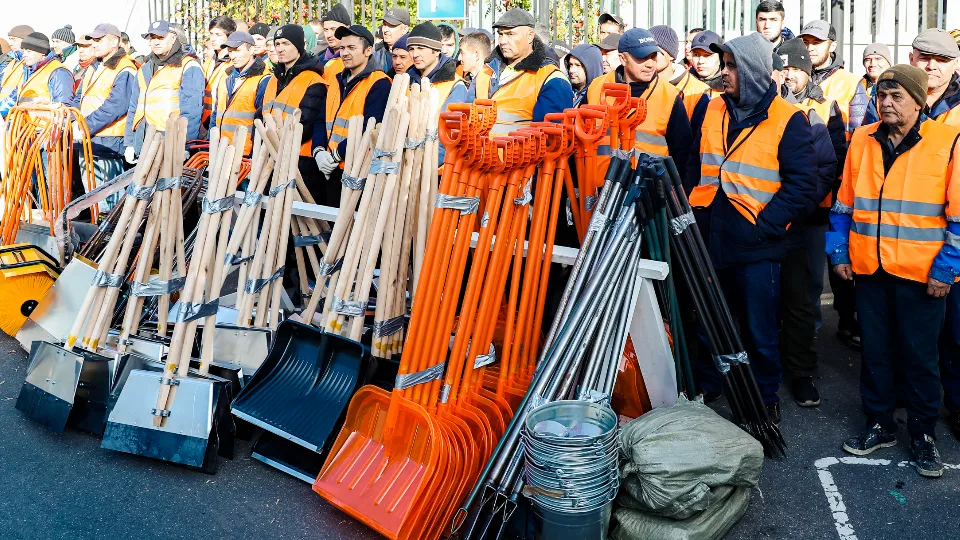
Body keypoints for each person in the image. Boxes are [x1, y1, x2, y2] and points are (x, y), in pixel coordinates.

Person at [828, 65, 960, 477]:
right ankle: (879, 424)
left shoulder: (948, 142)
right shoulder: (862, 140)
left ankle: (923, 435)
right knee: (877, 352)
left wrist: (947, 269)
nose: (885, 102)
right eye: (882, 95)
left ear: (919, 102)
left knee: (920, 359)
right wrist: (838, 251)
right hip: (870, 269)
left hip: (922, 276)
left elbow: (958, 217)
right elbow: (844, 202)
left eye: (896, 96)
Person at [685, 33, 818, 423]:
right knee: (712, 319)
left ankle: (764, 396)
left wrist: (765, 226)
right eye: (723, 66)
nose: (723, 74)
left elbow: (802, 187)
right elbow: (697, 166)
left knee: (760, 329)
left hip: (757, 243)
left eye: (731, 67)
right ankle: (711, 384)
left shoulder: (788, 118)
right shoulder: (712, 110)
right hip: (711, 234)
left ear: (756, 71)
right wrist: (693, 213)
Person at [779, 37, 846, 406]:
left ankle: (802, 372)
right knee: (770, 297)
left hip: (807, 219)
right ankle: (773, 365)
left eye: (795, 68)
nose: (789, 75)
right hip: (774, 220)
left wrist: (797, 206)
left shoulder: (824, 108)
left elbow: (830, 164)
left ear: (807, 71)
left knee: (803, 300)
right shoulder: (770, 109)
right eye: (783, 68)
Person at [587, 28, 693, 180]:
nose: (650, 64)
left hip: (648, 196)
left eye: (653, 57)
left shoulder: (669, 96)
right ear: (623, 59)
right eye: (642, 57)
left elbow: (683, 156)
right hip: (600, 192)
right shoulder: (596, 88)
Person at [316, 24, 390, 206]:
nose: (345, 53)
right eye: (342, 48)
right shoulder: (337, 80)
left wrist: (335, 156)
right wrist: (318, 151)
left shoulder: (379, 83)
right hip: (329, 169)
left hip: (358, 171)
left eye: (352, 48)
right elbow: (320, 118)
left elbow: (369, 129)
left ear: (368, 50)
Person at [468, 9, 572, 136]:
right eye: (500, 34)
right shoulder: (486, 71)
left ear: (530, 36)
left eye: (510, 34)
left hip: (519, 155)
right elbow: (467, 120)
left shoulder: (551, 78)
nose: (502, 41)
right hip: (480, 154)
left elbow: (551, 140)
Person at [262, 24, 333, 203]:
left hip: (300, 163)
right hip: (271, 157)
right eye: (277, 44)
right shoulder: (274, 79)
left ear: (299, 46)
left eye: (285, 43)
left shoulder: (313, 80)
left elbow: (306, 125)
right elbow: (261, 114)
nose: (280, 49)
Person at [73, 23, 137, 204]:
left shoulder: (125, 68)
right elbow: (80, 98)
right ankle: (100, 230)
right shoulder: (95, 67)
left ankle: (113, 232)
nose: (94, 44)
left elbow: (116, 106)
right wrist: (71, 119)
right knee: (93, 198)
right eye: (93, 40)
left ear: (115, 41)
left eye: (99, 40)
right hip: (89, 140)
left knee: (108, 200)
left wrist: (84, 125)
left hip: (109, 143)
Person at [124, 20, 204, 162]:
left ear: (173, 38)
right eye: (152, 38)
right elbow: (134, 107)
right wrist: (130, 142)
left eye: (160, 37)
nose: (155, 42)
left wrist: (186, 145)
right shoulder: (144, 69)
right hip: (143, 139)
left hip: (170, 142)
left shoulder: (188, 66)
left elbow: (192, 112)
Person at [799, 20, 868, 138]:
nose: (809, 48)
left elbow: (861, 133)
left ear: (833, 46)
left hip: (838, 154)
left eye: (816, 42)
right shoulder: (791, 77)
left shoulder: (850, 83)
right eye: (805, 42)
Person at [211, 31, 270, 157]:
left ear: (251, 50)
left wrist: (254, 156)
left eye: (237, 50)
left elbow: (264, 123)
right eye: (230, 51)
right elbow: (216, 114)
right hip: (221, 151)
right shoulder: (225, 77)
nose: (233, 56)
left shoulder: (263, 79)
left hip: (245, 155)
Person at [650, 25, 710, 127]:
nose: (648, 57)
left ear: (671, 55)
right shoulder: (638, 83)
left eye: (655, 52)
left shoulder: (698, 91)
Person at [408, 22, 466, 112]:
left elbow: (451, 123)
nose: (415, 54)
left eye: (421, 48)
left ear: (437, 51)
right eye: (411, 49)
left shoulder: (455, 85)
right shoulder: (406, 80)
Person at [8, 32, 74, 109]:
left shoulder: (59, 72)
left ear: (42, 52)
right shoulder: (27, 71)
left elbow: (63, 109)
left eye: (29, 51)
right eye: (24, 51)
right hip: (24, 120)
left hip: (42, 121)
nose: (24, 55)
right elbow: (11, 100)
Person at [203, 16, 238, 127]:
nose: (213, 39)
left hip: (221, 121)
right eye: (211, 34)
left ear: (229, 36)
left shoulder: (233, 64)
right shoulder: (208, 63)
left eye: (218, 35)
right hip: (204, 121)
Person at [0, 25, 35, 102]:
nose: (10, 43)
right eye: (10, 40)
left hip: (19, 111)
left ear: (26, 40)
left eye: (14, 40)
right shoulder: (11, 62)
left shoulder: (32, 65)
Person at [373, 8, 410, 73]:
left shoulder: (413, 53)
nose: (385, 30)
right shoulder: (375, 54)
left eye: (391, 25)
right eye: (384, 25)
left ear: (405, 29)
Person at [319, 3, 351, 78]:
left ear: (347, 29)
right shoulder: (318, 59)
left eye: (333, 29)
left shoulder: (354, 59)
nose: (329, 35)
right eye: (326, 30)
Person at [688, 31, 724, 95]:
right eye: (696, 55)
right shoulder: (683, 85)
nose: (700, 61)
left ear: (720, 57)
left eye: (707, 55)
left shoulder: (731, 88)